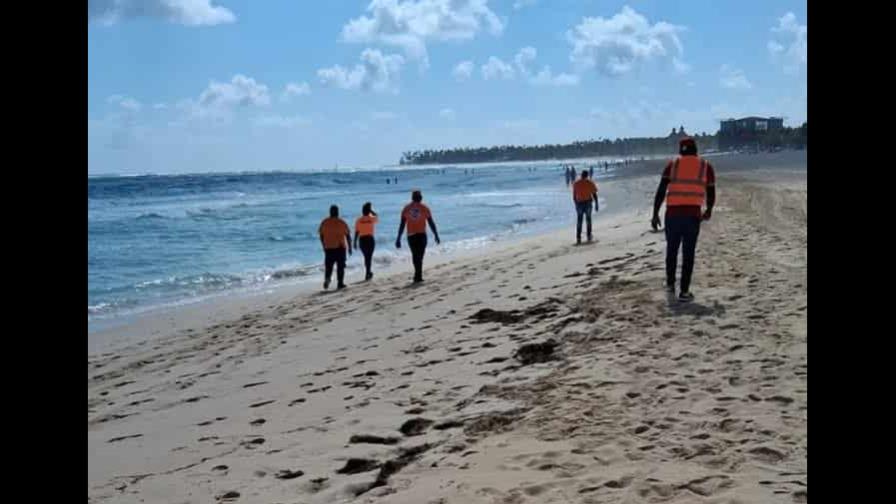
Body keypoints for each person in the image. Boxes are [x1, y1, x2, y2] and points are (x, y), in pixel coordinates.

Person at [651, 137, 716, 303]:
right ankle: (685, 291)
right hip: (692, 215)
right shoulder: (705, 166)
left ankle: (670, 284)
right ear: (696, 149)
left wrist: (655, 213)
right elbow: (711, 192)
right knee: (688, 253)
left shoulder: (672, 165)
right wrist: (708, 209)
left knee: (671, 250)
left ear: (680, 150)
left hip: (672, 214)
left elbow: (660, 191)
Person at [395, 190, 441, 283]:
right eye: (420, 196)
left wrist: (398, 238)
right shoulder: (424, 208)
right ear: (420, 197)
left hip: (411, 235)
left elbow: (402, 225)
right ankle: (418, 276)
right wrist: (436, 234)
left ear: (412, 197)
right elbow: (431, 223)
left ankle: (417, 275)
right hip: (421, 235)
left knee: (416, 255)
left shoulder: (406, 208)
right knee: (419, 256)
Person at [319, 205, 352, 290]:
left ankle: (327, 279)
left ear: (330, 212)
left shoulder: (324, 222)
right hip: (340, 248)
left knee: (328, 267)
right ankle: (340, 283)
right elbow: (348, 235)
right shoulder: (341, 222)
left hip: (328, 248)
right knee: (340, 266)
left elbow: (321, 235)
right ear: (338, 212)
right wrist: (350, 247)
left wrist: (323, 245)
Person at [572, 170, 599, 244]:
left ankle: (578, 237)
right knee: (588, 220)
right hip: (587, 203)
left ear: (581, 175)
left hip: (579, 203)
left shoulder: (576, 183)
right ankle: (589, 236)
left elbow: (574, 196)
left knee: (579, 221)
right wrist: (596, 204)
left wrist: (576, 204)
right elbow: (594, 194)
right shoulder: (590, 182)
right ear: (587, 175)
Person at [354, 202, 378, 281]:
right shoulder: (371, 219)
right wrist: (371, 211)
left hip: (362, 240)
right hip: (370, 239)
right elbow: (376, 216)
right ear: (369, 211)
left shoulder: (358, 220)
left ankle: (368, 272)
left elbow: (357, 231)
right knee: (369, 257)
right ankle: (368, 272)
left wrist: (354, 241)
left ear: (362, 211)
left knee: (366, 257)